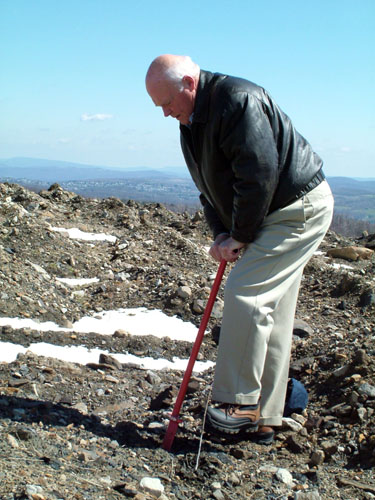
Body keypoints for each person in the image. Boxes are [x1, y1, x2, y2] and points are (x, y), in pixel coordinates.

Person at [145, 54, 334, 444]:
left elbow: (259, 173)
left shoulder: (237, 100)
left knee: (246, 295)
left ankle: (237, 408)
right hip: (271, 210)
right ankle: (267, 416)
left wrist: (241, 235)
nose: (165, 114)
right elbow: (209, 188)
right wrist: (220, 235)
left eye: (166, 103)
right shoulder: (192, 122)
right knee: (273, 310)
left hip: (295, 208)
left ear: (188, 84)